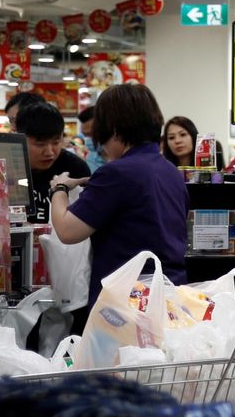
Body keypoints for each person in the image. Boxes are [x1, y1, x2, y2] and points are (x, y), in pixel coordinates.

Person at [48, 84, 189, 315]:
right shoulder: (170, 171)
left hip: (126, 306)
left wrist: (59, 188)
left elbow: (67, 231)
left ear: (112, 129)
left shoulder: (117, 173)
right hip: (169, 296)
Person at [16, 102, 90, 224]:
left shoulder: (75, 168)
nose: (49, 152)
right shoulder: (7, 167)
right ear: (19, 138)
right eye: (40, 144)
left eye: (56, 142)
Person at [77, 106, 105, 172]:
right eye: (85, 135)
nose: (89, 139)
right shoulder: (88, 159)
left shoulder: (124, 159)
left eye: (92, 134)